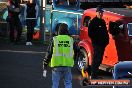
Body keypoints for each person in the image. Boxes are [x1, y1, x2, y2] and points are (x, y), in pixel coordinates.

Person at [44, 23, 79, 88]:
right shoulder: (71, 39)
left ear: (59, 30)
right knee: (68, 83)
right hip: (67, 64)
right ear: (67, 30)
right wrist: (74, 59)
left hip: (56, 65)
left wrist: (45, 63)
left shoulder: (55, 39)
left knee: (55, 84)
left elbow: (49, 52)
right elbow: (77, 50)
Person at [87, 5, 109, 79]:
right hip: (96, 44)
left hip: (102, 44)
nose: (101, 14)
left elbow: (105, 32)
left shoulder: (102, 21)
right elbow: (90, 33)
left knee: (100, 59)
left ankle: (95, 74)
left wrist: (106, 41)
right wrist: (97, 40)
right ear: (96, 12)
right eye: (99, 12)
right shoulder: (93, 22)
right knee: (96, 59)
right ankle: (93, 75)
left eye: (101, 12)